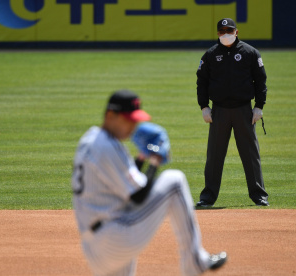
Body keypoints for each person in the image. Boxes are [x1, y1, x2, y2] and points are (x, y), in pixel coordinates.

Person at [71, 90, 227, 276]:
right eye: (128, 120)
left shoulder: (91, 139)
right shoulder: (108, 146)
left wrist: (143, 156)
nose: (133, 126)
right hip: (114, 237)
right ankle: (195, 262)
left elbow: (127, 183)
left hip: (94, 247)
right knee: (175, 182)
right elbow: (138, 196)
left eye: (135, 120)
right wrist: (155, 160)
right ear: (110, 115)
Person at [196, 18, 269, 207]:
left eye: (229, 30)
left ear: (237, 32)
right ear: (218, 33)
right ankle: (208, 197)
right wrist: (204, 106)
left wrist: (259, 106)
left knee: (250, 154)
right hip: (219, 111)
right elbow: (201, 81)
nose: (225, 34)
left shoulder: (250, 53)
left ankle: (259, 195)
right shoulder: (210, 55)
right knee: (214, 155)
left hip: (244, 110)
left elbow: (260, 80)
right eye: (222, 31)